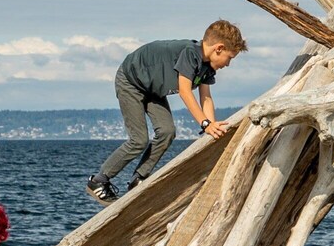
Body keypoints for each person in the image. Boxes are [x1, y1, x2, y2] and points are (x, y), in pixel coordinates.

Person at [86, 20, 247, 204]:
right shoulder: (190, 53)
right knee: (139, 140)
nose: (228, 64)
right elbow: (185, 92)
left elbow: (206, 98)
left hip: (153, 89)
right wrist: (205, 124)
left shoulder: (207, 67)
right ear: (218, 48)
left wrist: (212, 128)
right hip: (131, 82)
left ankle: (138, 179)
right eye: (230, 58)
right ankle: (98, 181)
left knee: (167, 131)